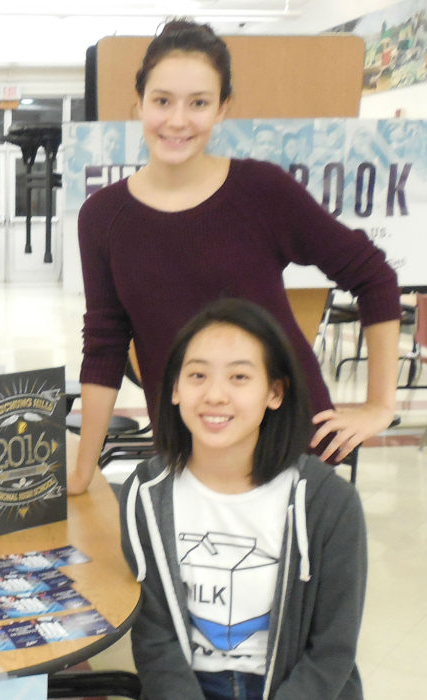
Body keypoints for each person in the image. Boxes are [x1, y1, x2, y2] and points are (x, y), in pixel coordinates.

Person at [70, 18, 401, 494]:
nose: (178, 120)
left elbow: (373, 275)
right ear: (138, 103)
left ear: (223, 108)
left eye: (199, 103)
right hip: (188, 445)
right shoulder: (102, 217)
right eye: (162, 101)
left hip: (288, 440)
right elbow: (104, 346)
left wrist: (379, 406)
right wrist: (83, 471)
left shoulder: (261, 191)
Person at [120, 298, 366, 699]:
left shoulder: (328, 503)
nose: (215, 395)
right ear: (176, 389)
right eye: (197, 375)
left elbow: (331, 652)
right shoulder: (146, 495)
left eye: (239, 377)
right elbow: (154, 641)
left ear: (275, 391)